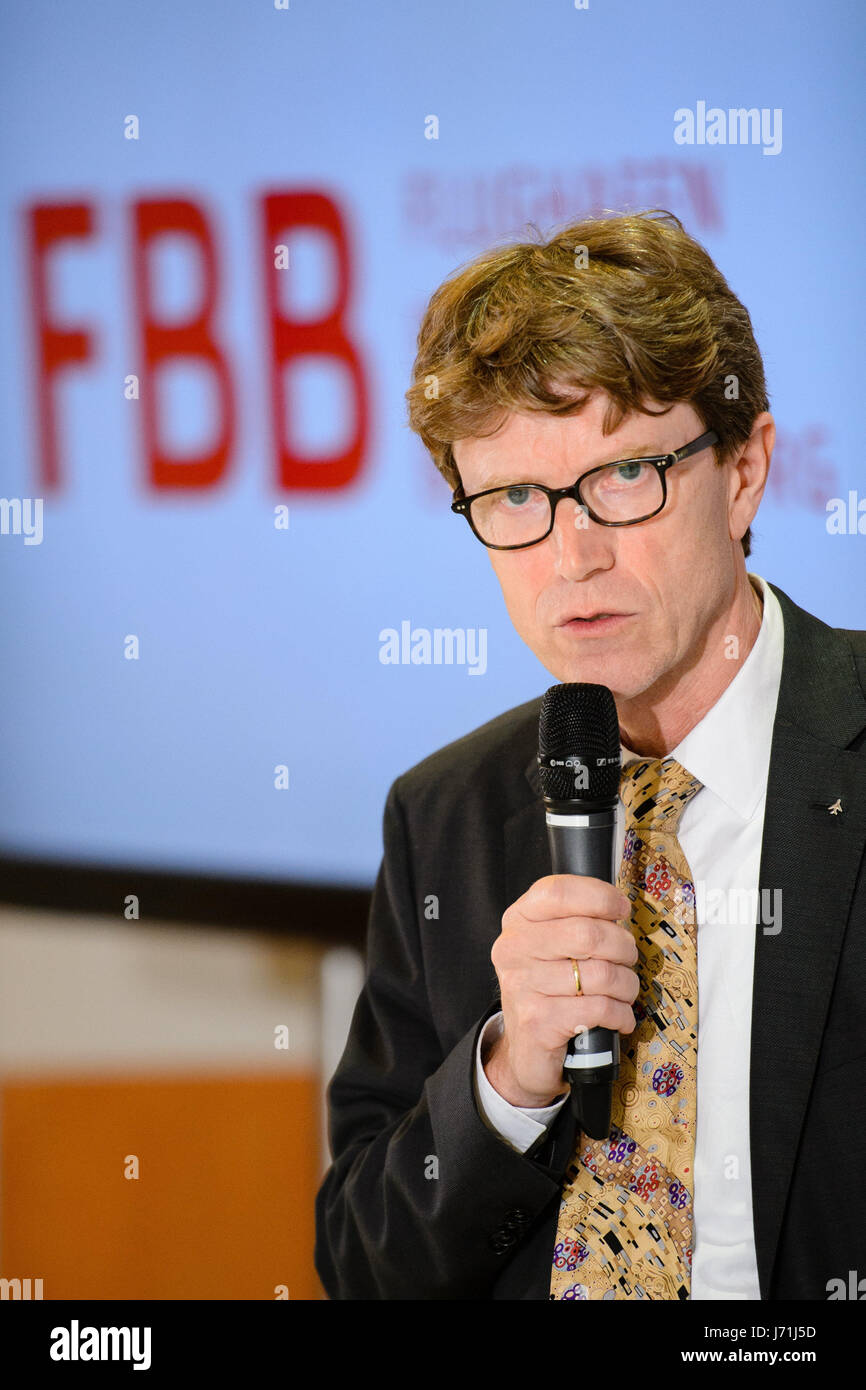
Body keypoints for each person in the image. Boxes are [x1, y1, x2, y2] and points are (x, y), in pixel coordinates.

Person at [314, 209, 866, 1300]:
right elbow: (363, 1269)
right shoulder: (441, 815)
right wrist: (507, 1078)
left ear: (745, 469)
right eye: (515, 497)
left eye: (621, 477)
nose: (573, 556)